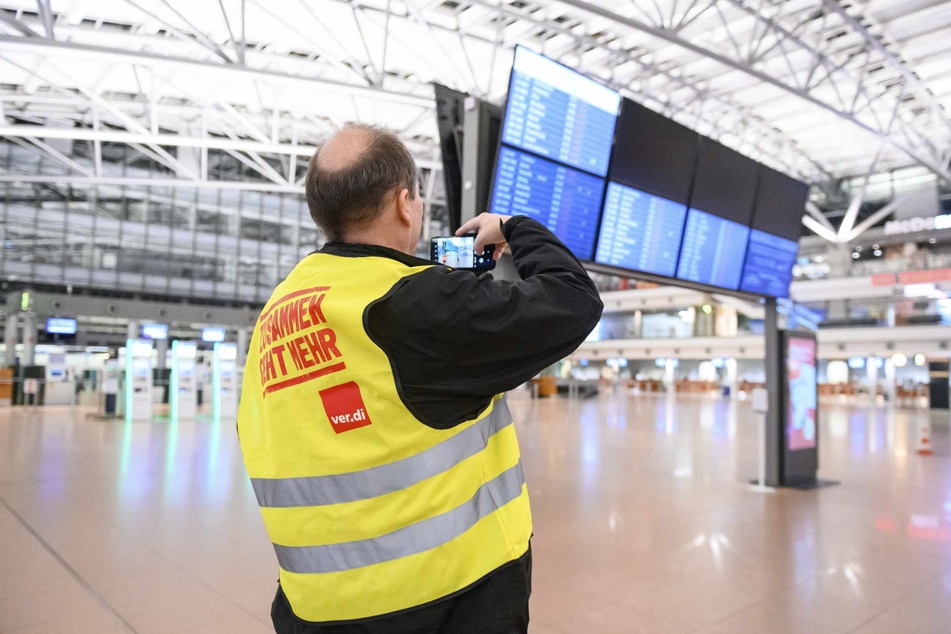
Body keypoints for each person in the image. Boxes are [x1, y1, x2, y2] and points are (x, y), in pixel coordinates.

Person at [237, 124, 602, 633]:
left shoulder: (277, 311)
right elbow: (574, 300)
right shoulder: (414, 306)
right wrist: (516, 227)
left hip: (314, 608)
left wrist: (447, 285)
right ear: (405, 203)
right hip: (443, 600)